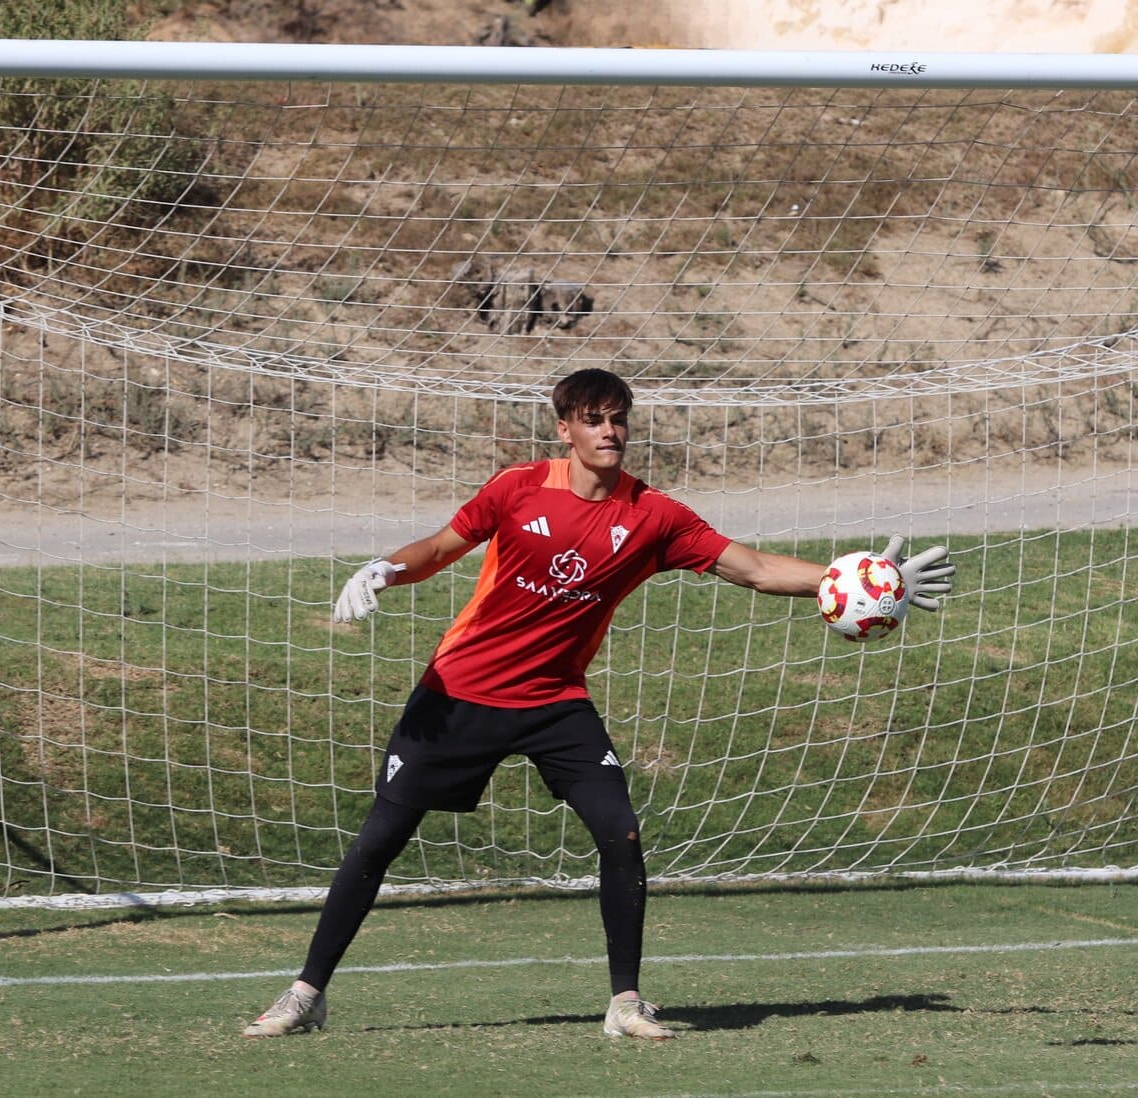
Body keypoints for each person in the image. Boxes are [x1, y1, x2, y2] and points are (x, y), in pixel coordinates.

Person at [243, 368, 954, 1040]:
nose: (609, 432)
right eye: (594, 421)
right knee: (379, 842)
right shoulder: (517, 490)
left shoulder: (654, 517)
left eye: (618, 420)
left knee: (621, 832)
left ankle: (624, 1002)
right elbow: (439, 547)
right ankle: (305, 994)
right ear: (564, 431)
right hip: (460, 693)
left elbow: (757, 569)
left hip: (556, 703)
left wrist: (858, 580)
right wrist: (385, 570)